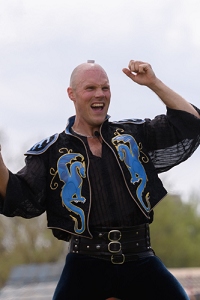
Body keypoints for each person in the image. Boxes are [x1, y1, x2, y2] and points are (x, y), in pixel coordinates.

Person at [0, 59, 200, 300]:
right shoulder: (51, 151)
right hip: (84, 263)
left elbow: (191, 124)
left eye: (105, 88)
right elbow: (17, 195)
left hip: (140, 258)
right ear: (71, 94)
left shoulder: (133, 135)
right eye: (90, 88)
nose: (100, 94)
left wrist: (153, 83)